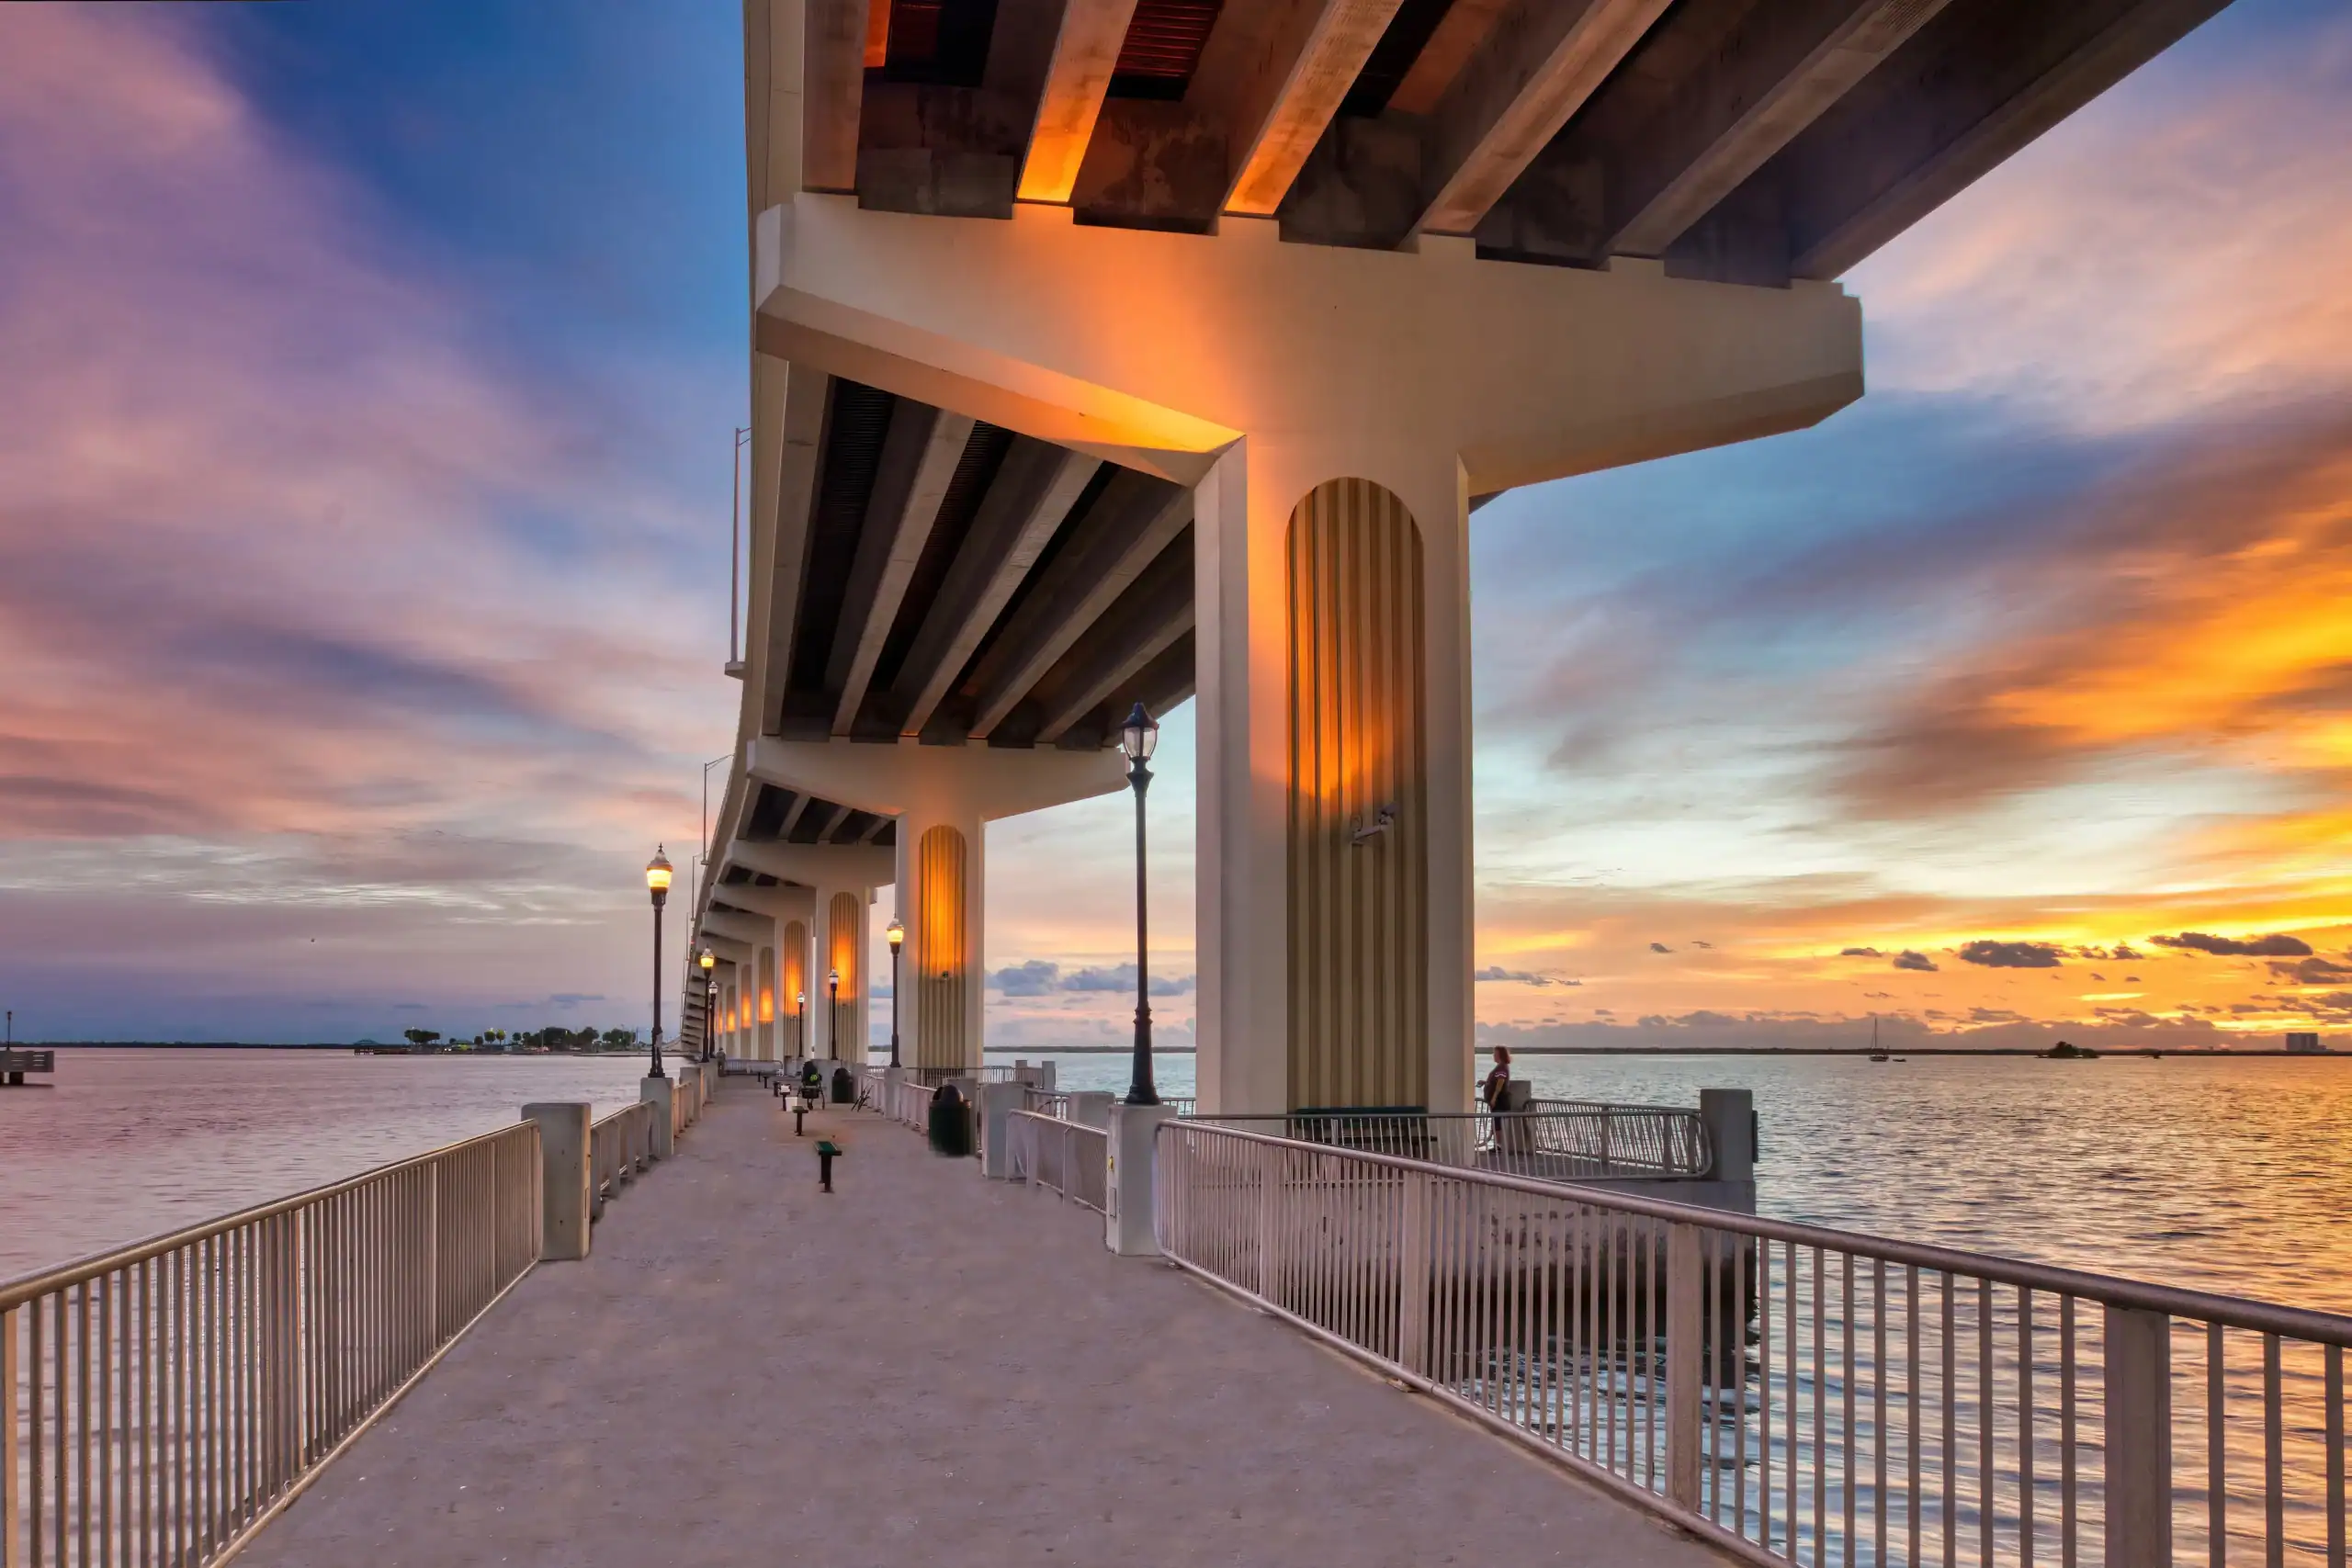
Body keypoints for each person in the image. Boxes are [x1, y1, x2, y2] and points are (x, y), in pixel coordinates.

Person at [1480, 1046, 1513, 1113]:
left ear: (1501, 1055)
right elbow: (1496, 1081)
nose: (1494, 1055)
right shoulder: (1500, 1066)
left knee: (1498, 1118)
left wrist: (1494, 1098)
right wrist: (1486, 1083)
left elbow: (1500, 1081)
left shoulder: (1502, 1067)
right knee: (1496, 1118)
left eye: (1495, 1054)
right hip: (1498, 1101)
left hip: (1499, 1101)